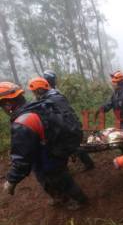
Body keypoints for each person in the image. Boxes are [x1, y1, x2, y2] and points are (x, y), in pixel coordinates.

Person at [0, 81, 87, 210]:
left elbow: (21, 158)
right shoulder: (36, 106)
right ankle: (60, 198)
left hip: (49, 156)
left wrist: (11, 180)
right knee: (46, 179)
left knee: (62, 180)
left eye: (2, 105)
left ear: (8, 104)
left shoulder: (23, 122)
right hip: (49, 151)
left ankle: (81, 201)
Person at [43, 71, 95, 171]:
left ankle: (68, 170)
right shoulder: (55, 93)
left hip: (65, 126)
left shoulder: (53, 96)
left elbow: (65, 113)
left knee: (69, 147)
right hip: (67, 125)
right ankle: (86, 163)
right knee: (73, 146)